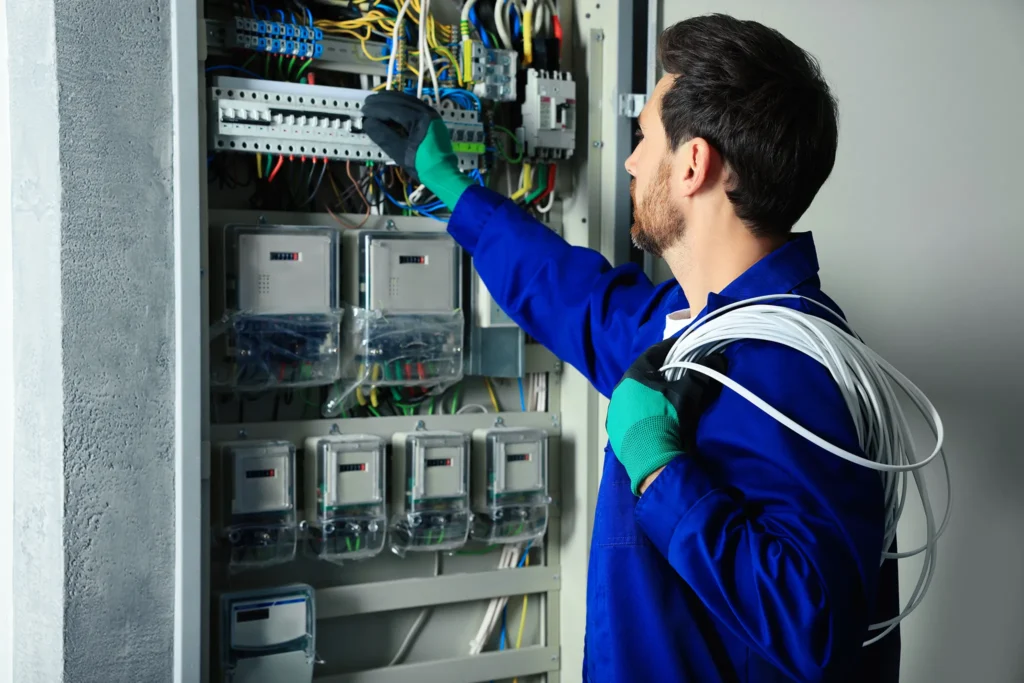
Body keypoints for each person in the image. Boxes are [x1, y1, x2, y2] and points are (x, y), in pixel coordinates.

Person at [362, 12, 900, 683]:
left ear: (693, 164)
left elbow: (815, 627)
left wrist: (661, 474)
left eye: (644, 137)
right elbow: (575, 298)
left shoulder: (787, 371)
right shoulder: (686, 330)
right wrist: (452, 187)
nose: (630, 160)